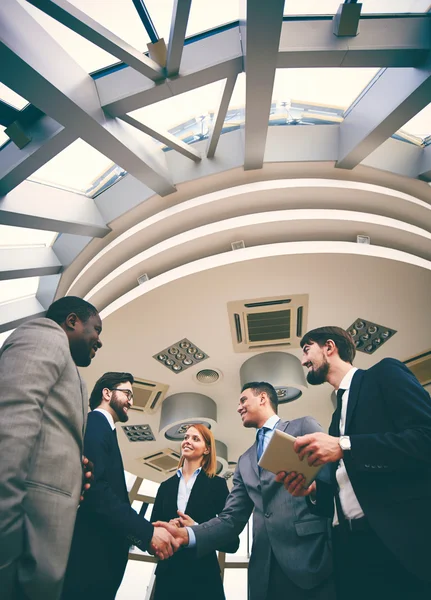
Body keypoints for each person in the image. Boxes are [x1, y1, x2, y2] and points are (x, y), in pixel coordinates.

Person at [277, 326, 431, 600]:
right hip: (348, 550)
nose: (303, 361)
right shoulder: (336, 419)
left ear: (329, 347)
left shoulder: (385, 373)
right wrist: (313, 493)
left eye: (306, 349)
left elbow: (425, 438)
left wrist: (344, 445)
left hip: (396, 545)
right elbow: (348, 487)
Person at [154, 382, 334, 600]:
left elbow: (333, 482)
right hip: (264, 571)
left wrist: (314, 490)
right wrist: (189, 534)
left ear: (263, 398)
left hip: (310, 559)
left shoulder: (302, 427)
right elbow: (230, 519)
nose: (239, 407)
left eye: (243, 400)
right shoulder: (245, 461)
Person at [0, 296, 102, 600]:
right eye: (96, 329)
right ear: (72, 321)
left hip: (37, 560)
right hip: (15, 559)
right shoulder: (42, 335)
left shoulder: (71, 370)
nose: (99, 342)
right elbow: (9, 428)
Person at [62, 372, 179, 600]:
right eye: (127, 394)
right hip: (91, 561)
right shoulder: (96, 423)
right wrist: (147, 533)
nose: (131, 402)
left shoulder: (105, 430)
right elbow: (96, 491)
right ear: (107, 393)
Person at [151, 423, 240, 600]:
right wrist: (164, 530)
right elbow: (150, 535)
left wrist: (197, 529)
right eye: (185, 437)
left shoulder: (217, 485)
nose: (187, 441)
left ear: (207, 450)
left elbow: (232, 542)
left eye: (195, 438)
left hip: (203, 580)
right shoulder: (165, 487)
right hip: (167, 580)